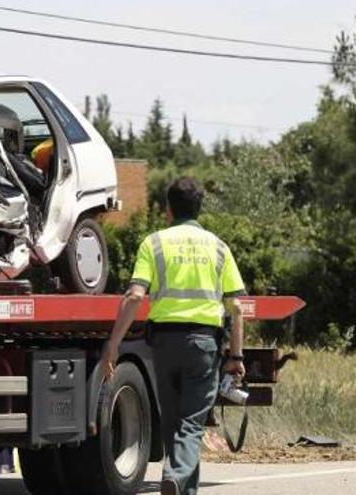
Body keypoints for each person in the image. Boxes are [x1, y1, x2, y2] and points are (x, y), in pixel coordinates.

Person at [99, 177, 246, 495]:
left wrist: (113, 345)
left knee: (172, 424)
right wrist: (236, 356)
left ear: (168, 209)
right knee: (191, 425)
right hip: (203, 346)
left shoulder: (153, 244)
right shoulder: (219, 247)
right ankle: (175, 475)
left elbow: (135, 296)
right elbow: (237, 307)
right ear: (200, 208)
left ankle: (181, 486)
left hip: (164, 345)